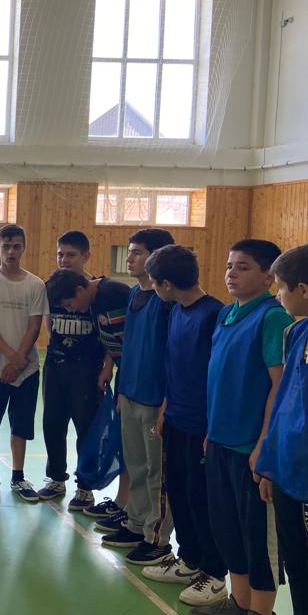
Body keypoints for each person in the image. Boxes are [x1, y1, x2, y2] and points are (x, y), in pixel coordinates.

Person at [190, 239, 293, 615]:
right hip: (220, 440)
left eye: (244, 267)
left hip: (251, 447)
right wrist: (211, 431)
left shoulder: (272, 317)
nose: (232, 273)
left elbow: (278, 386)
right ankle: (240, 601)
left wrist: (264, 444)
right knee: (227, 527)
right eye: (230, 265)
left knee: (257, 536)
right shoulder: (227, 314)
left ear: (269, 277)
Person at [141, 245, 229, 606]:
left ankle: (214, 572)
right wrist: (165, 408)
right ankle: (190, 559)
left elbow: (218, 376)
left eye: (154, 282)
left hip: (202, 425)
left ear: (166, 284)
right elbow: (174, 365)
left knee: (201, 498)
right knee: (178, 491)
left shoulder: (213, 315)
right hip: (176, 417)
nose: (154, 288)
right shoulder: (176, 310)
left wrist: (212, 426)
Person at [254, 243, 308, 615]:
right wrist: (269, 464)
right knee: (297, 569)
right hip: (289, 474)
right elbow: (282, 406)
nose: (277, 295)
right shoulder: (297, 333)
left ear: (305, 289)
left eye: (280, 287)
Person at [102, 228, 176, 566]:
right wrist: (121, 389)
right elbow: (128, 348)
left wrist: (166, 402)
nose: (129, 258)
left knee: (156, 471)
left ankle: (156, 538)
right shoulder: (134, 294)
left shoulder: (167, 302)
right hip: (130, 393)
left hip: (155, 399)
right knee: (135, 465)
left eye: (137, 252)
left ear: (157, 257)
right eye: (129, 251)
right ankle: (135, 524)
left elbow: (173, 356)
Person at [44, 267, 131, 527]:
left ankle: (125, 506)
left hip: (133, 374)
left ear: (81, 290)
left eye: (70, 304)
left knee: (113, 438)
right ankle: (122, 503)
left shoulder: (113, 293)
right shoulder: (93, 300)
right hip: (120, 369)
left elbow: (131, 338)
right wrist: (110, 366)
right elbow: (111, 339)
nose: (71, 310)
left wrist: (114, 373)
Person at [40, 230, 111, 511]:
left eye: (71, 255)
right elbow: (48, 323)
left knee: (86, 427)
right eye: (60, 254)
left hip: (87, 369)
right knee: (52, 423)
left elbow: (110, 334)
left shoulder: (96, 292)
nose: (64, 260)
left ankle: (85, 486)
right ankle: (56, 478)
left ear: (86, 256)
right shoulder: (52, 287)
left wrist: (106, 367)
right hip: (56, 365)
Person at [0, 224, 48, 503]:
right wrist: (10, 357)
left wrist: (19, 360)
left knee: (21, 424)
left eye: (16, 246)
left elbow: (34, 326)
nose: (11, 252)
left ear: (23, 248)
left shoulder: (35, 284)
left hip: (26, 368)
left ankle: (18, 476)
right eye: (5, 246)